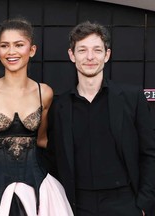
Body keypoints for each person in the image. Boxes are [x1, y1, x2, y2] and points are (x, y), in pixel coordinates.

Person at [45, 21, 155, 216]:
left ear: (107, 55)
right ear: (72, 55)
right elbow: (52, 157)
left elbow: (149, 153)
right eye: (82, 50)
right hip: (76, 205)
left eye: (97, 50)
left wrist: (144, 204)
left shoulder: (132, 97)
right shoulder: (59, 106)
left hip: (125, 202)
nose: (90, 57)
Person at [0, 18, 73, 215]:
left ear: (32, 50)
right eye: (4, 46)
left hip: (39, 191)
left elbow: (42, 139)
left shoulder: (45, 92)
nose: (11, 52)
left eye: (19, 45)